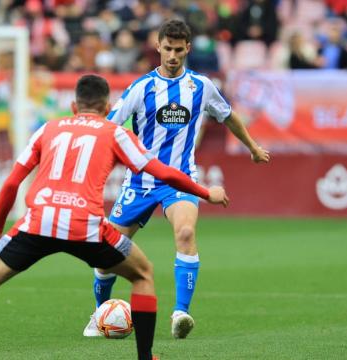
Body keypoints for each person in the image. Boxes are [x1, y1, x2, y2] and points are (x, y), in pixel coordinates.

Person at [0, 75, 229, 360]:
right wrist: (204, 192)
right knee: (142, 274)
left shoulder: (48, 128)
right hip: (85, 227)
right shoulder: (116, 132)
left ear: (74, 106)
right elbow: (162, 172)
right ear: (108, 108)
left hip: (37, 223)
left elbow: (11, 183)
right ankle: (144, 357)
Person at [83, 19, 270, 340]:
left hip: (180, 180)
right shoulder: (142, 88)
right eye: (167, 48)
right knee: (106, 256)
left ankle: (181, 313)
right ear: (157, 47)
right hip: (139, 183)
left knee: (185, 232)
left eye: (178, 50)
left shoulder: (201, 86)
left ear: (187, 49)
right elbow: (110, 125)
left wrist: (252, 147)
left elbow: (227, 115)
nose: (172, 55)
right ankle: (100, 314)